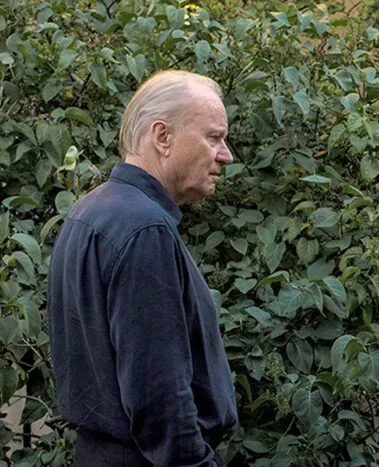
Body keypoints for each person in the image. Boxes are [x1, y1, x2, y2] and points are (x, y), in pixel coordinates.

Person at [48, 70, 238, 466]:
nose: (226, 155)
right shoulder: (144, 228)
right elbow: (160, 399)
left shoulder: (92, 210)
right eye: (213, 137)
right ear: (162, 136)